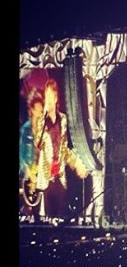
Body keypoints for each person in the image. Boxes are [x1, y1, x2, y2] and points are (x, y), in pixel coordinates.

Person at [34, 79, 89, 221]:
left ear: (56, 98)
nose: (48, 100)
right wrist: (43, 119)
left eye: (50, 96)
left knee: (60, 216)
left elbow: (64, 148)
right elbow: (37, 143)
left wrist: (76, 164)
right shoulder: (41, 121)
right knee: (47, 217)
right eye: (46, 96)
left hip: (60, 175)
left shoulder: (63, 120)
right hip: (46, 176)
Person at [19, 89, 44, 220]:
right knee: (28, 196)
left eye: (41, 110)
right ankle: (26, 213)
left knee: (38, 196)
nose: (40, 113)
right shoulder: (25, 129)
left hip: (40, 169)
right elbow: (22, 152)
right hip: (27, 170)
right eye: (38, 109)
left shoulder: (43, 128)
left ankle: (37, 215)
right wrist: (27, 170)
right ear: (32, 110)